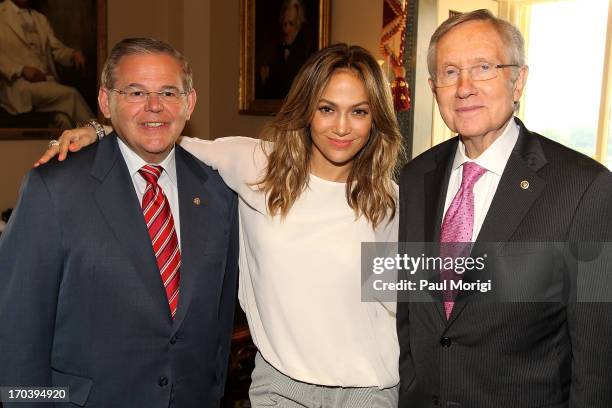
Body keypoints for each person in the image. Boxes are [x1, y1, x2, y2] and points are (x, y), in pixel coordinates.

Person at [37, 43, 404, 408]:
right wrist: (99, 132)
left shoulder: (389, 201)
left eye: (358, 111)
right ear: (307, 110)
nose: (342, 126)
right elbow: (165, 137)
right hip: (280, 387)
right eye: (327, 109)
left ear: (375, 121)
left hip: (367, 388)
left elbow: (411, 305)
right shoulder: (258, 165)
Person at [0, 38, 239, 407]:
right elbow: (16, 331)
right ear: (104, 102)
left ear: (189, 103)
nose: (155, 106)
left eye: (169, 92)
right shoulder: (54, 188)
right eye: (135, 92)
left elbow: (220, 325)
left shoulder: (221, 189)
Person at [397, 9, 612, 407]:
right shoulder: (414, 177)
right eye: (448, 72)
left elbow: (598, 359)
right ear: (433, 87)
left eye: (483, 67)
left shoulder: (586, 189)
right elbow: (410, 315)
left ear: (519, 81)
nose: (464, 87)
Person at [0, 0, 94, 127]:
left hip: (47, 82)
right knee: (71, 95)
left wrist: (73, 54)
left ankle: (84, 146)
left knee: (63, 120)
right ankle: (103, 141)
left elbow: (56, 49)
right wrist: (21, 69)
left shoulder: (40, 18)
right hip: (18, 86)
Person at [258, 0, 313, 99]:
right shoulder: (278, 51)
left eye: (291, 24)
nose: (286, 29)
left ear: (299, 24)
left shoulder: (307, 51)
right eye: (284, 24)